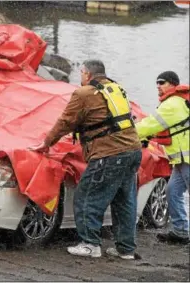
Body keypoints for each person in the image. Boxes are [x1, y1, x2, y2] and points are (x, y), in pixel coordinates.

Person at [30, 59, 142, 259]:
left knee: (87, 196)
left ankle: (90, 244)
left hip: (109, 154)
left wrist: (46, 143)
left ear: (88, 74)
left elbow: (65, 122)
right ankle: (126, 249)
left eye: (81, 73)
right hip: (132, 151)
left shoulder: (83, 94)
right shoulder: (116, 88)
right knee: (124, 201)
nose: (80, 77)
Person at [136, 71, 189, 245]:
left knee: (174, 192)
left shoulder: (173, 103)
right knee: (172, 191)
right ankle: (180, 231)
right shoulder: (176, 102)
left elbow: (151, 124)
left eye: (162, 82)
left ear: (173, 84)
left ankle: (181, 230)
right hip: (180, 161)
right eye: (157, 83)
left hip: (187, 160)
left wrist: (127, 132)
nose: (158, 86)